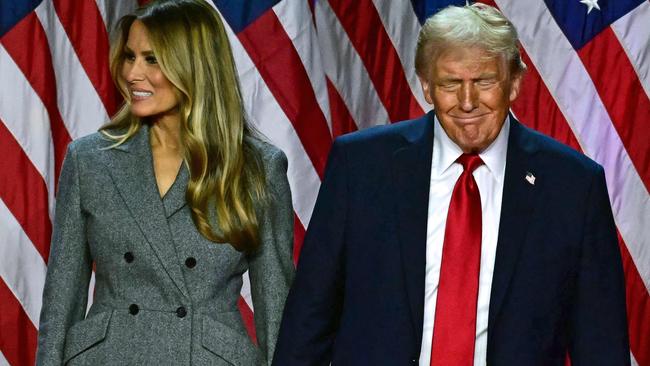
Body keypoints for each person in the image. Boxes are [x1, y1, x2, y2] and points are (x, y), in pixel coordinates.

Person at [273, 3, 629, 365]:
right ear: (426, 86)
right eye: (451, 83)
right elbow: (309, 319)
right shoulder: (362, 167)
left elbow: (600, 344)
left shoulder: (572, 186)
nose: (468, 101)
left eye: (485, 82)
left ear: (515, 83)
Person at [35, 0, 294, 364]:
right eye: (129, 56)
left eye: (152, 59)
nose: (132, 74)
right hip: (109, 356)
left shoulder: (257, 168)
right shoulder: (88, 159)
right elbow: (62, 297)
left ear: (194, 67)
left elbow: (276, 307)